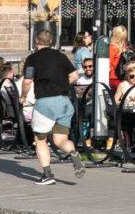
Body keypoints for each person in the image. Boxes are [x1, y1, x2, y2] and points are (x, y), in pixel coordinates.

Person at [21, 27, 86, 186]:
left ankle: (48, 175)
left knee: (40, 139)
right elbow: (74, 75)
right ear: (51, 42)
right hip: (64, 102)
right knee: (60, 140)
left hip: (45, 103)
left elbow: (28, 80)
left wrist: (23, 96)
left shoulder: (32, 59)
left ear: (36, 41)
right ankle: (73, 152)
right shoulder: (61, 56)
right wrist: (63, 84)